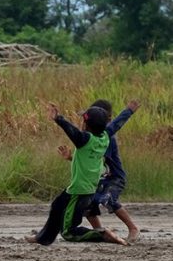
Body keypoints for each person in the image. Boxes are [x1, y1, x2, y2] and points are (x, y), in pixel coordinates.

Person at [27, 104, 127, 246]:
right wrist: (129, 111)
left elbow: (72, 131)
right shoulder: (105, 137)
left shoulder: (85, 140)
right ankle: (43, 238)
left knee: (69, 232)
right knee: (57, 206)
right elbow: (116, 125)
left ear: (86, 124)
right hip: (86, 189)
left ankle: (102, 234)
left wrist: (58, 118)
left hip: (79, 191)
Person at [85, 99, 141, 242]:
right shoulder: (93, 136)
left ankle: (133, 228)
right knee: (86, 201)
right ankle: (99, 232)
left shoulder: (106, 137)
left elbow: (115, 125)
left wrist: (128, 112)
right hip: (100, 178)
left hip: (114, 177)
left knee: (108, 200)